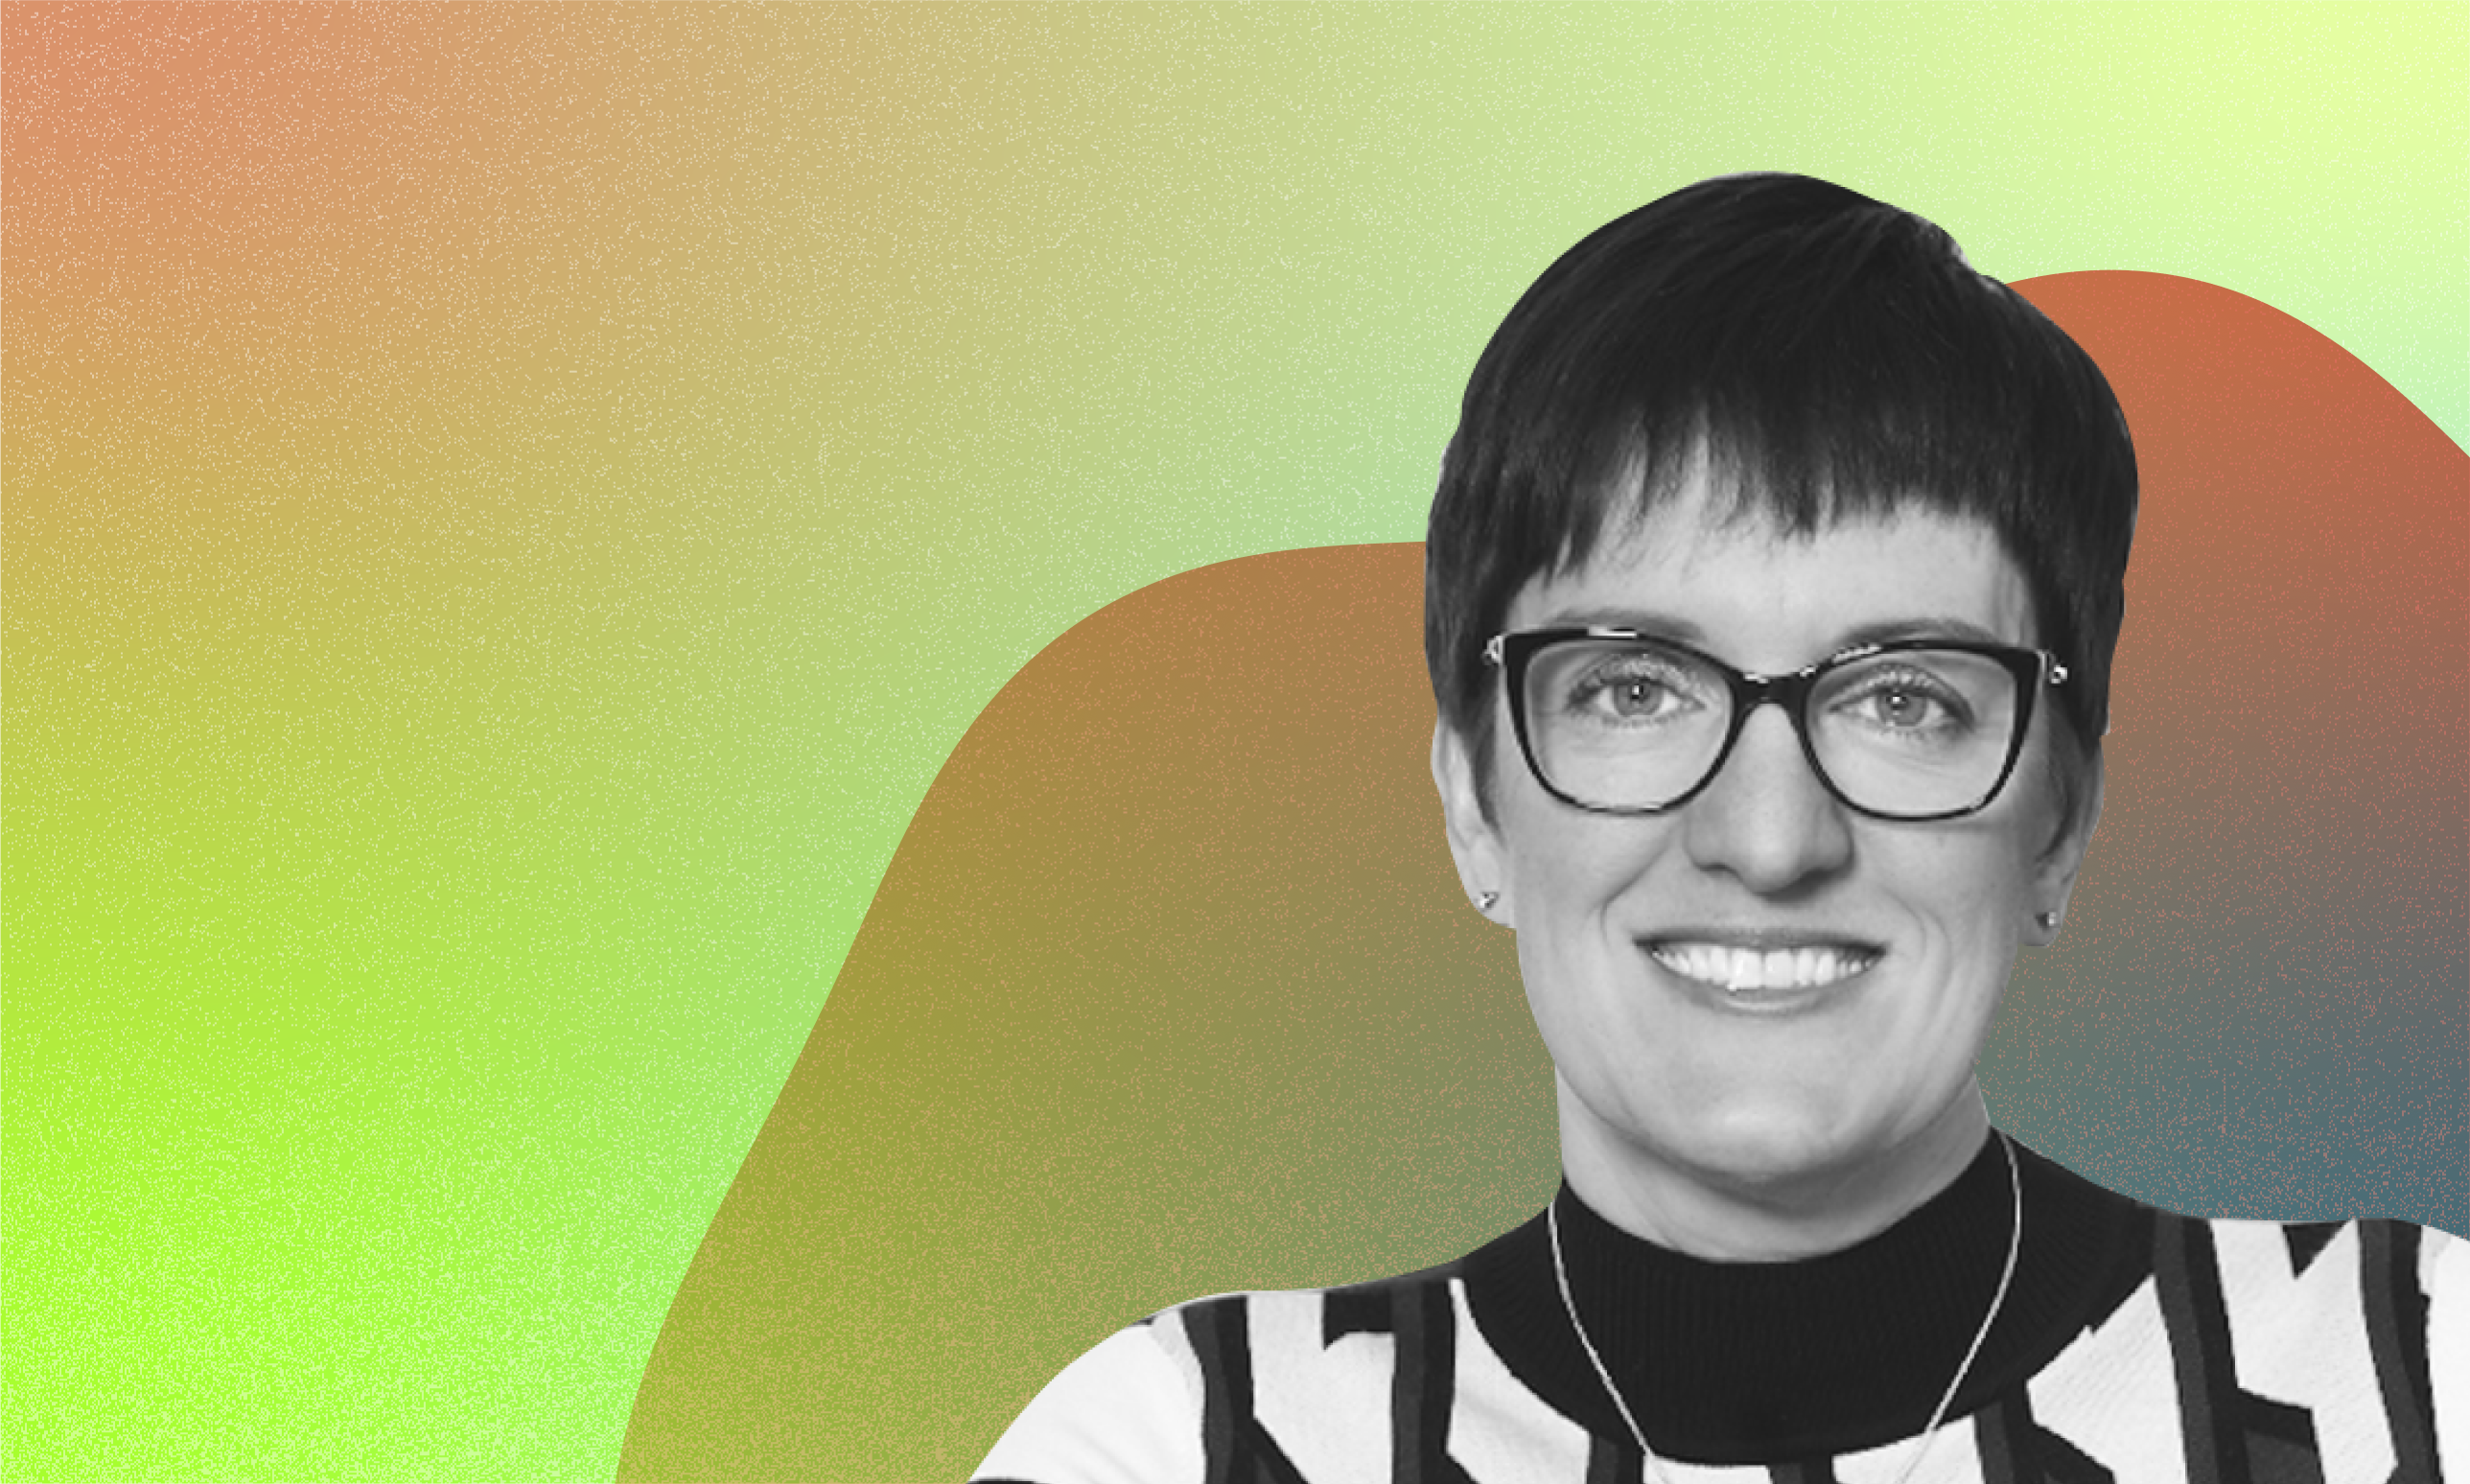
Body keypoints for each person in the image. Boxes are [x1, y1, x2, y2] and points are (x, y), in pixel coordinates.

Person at [972, 174, 2464, 1481]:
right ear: (1475, 803)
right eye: (1634, 688)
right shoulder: (1184, 1442)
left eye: (1903, 699)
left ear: (2059, 822)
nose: (1769, 837)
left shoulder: (2419, 1375)